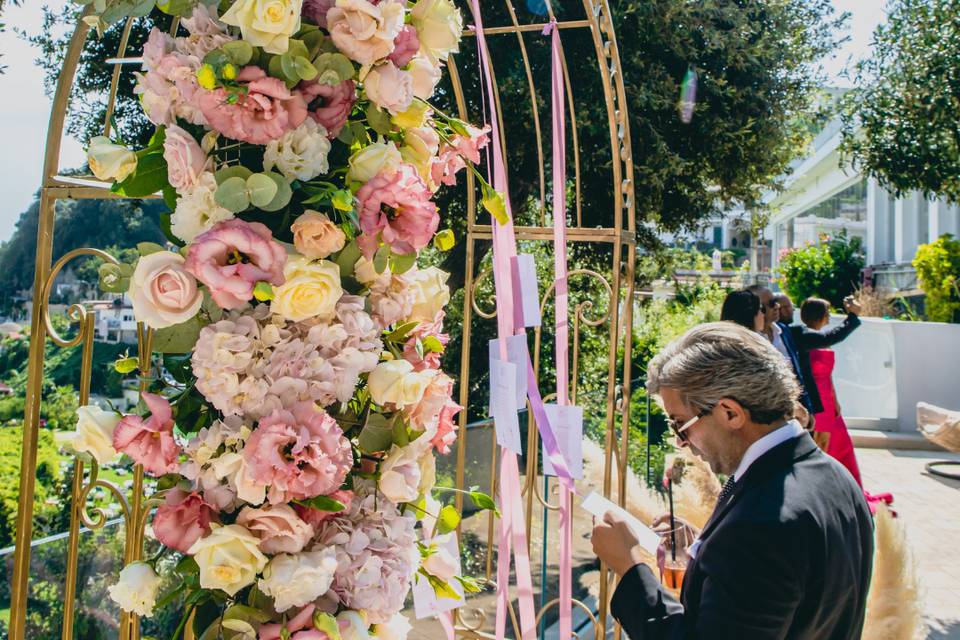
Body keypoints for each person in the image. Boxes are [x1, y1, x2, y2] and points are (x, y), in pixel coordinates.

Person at [591, 323, 873, 640]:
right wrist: (708, 551)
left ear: (730, 413)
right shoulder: (836, 476)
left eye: (680, 425)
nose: (681, 442)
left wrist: (629, 568)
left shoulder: (758, 529)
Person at [745, 285, 814, 416]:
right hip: (770, 417)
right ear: (754, 309)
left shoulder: (784, 331)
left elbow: (798, 373)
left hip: (799, 414)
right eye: (771, 303)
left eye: (775, 302)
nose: (777, 306)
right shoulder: (746, 340)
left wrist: (808, 410)